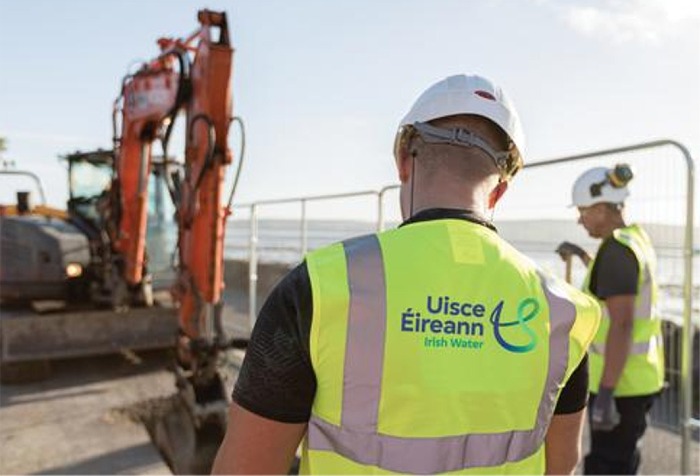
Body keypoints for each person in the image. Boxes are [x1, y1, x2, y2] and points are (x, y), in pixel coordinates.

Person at [212, 74, 601, 475]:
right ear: (500, 190)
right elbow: (561, 465)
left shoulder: (320, 287)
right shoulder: (564, 311)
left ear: (402, 159)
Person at [556, 165, 664, 475]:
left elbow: (622, 324)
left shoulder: (617, 250)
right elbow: (612, 285)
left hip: (618, 386)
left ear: (602, 208)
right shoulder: (634, 240)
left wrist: (605, 393)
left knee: (608, 466)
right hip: (637, 380)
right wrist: (581, 255)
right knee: (623, 462)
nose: (580, 219)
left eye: (583, 211)